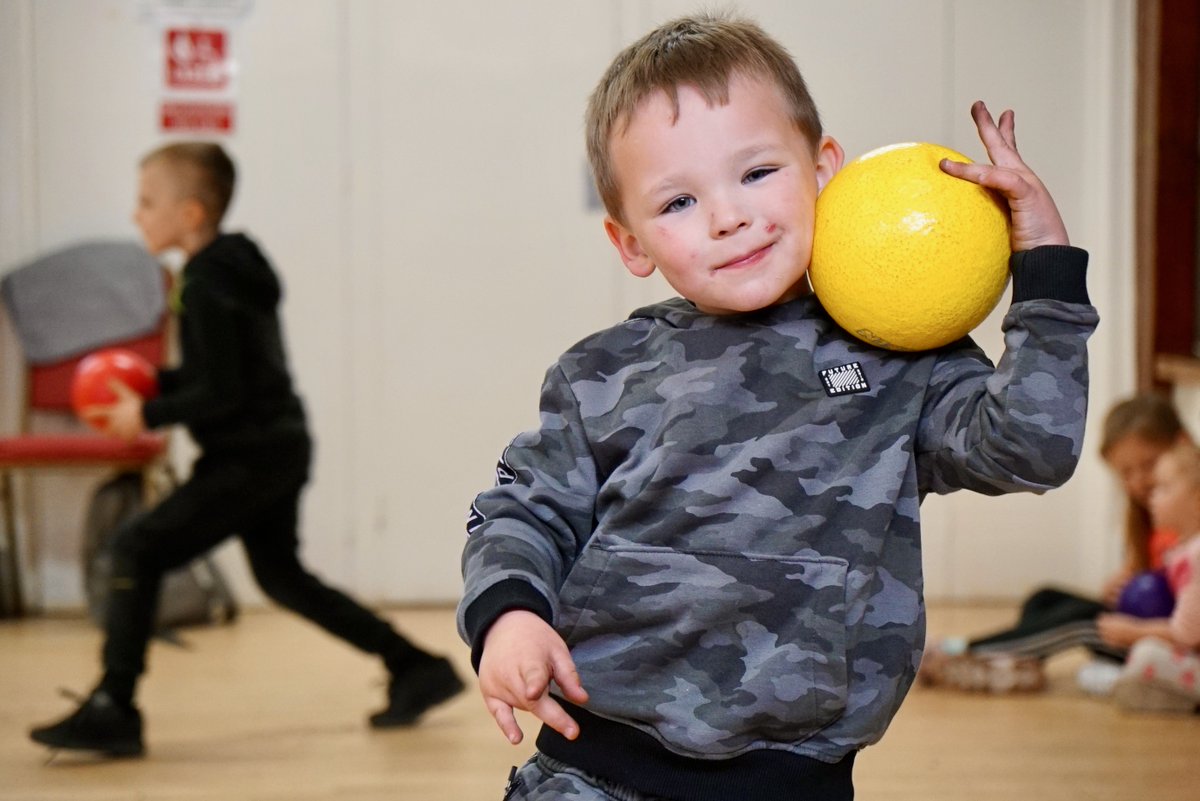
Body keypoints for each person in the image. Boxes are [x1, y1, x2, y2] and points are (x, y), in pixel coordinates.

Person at [457, 12, 1097, 801]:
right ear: (631, 244)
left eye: (757, 173)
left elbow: (1033, 447)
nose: (729, 216)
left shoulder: (898, 358)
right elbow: (518, 509)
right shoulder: (605, 372)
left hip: (794, 777)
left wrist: (1047, 277)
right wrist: (508, 614)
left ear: (824, 170)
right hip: (596, 766)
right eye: (679, 202)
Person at [29, 142, 463, 758]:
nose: (136, 215)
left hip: (251, 456)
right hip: (273, 446)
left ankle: (114, 707)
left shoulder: (208, 282)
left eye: (148, 202)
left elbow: (224, 390)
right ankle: (416, 666)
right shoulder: (225, 271)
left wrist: (147, 411)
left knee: (135, 547)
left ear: (192, 213)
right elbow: (224, 373)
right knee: (283, 578)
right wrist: (154, 386)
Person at [918, 393, 1187, 693]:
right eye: (1126, 473)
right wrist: (1125, 581)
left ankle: (959, 651)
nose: (1139, 482)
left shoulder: (1187, 514)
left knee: (1082, 623)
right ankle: (1015, 662)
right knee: (1044, 598)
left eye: (1148, 465)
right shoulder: (1149, 514)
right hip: (1150, 625)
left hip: (1168, 640)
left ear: (1182, 444)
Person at [1107, 439, 1200, 713]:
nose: (1152, 496)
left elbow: (1186, 636)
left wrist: (1131, 632)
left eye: (1164, 488)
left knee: (1146, 653)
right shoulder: (1183, 551)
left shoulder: (1196, 555)